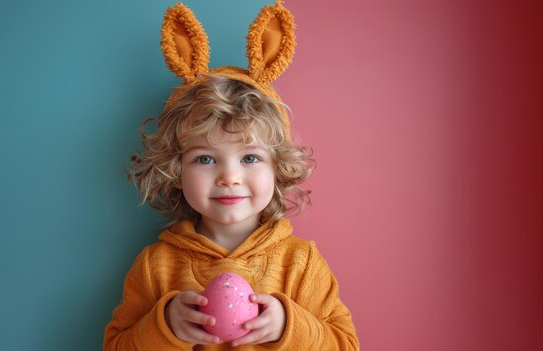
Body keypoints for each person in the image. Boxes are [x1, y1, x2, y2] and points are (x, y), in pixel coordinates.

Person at [104, 2, 359, 350]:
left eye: (250, 157)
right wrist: (163, 326)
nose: (229, 176)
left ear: (278, 168)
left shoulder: (301, 265)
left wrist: (290, 325)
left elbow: (346, 345)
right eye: (206, 159)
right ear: (176, 170)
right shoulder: (155, 267)